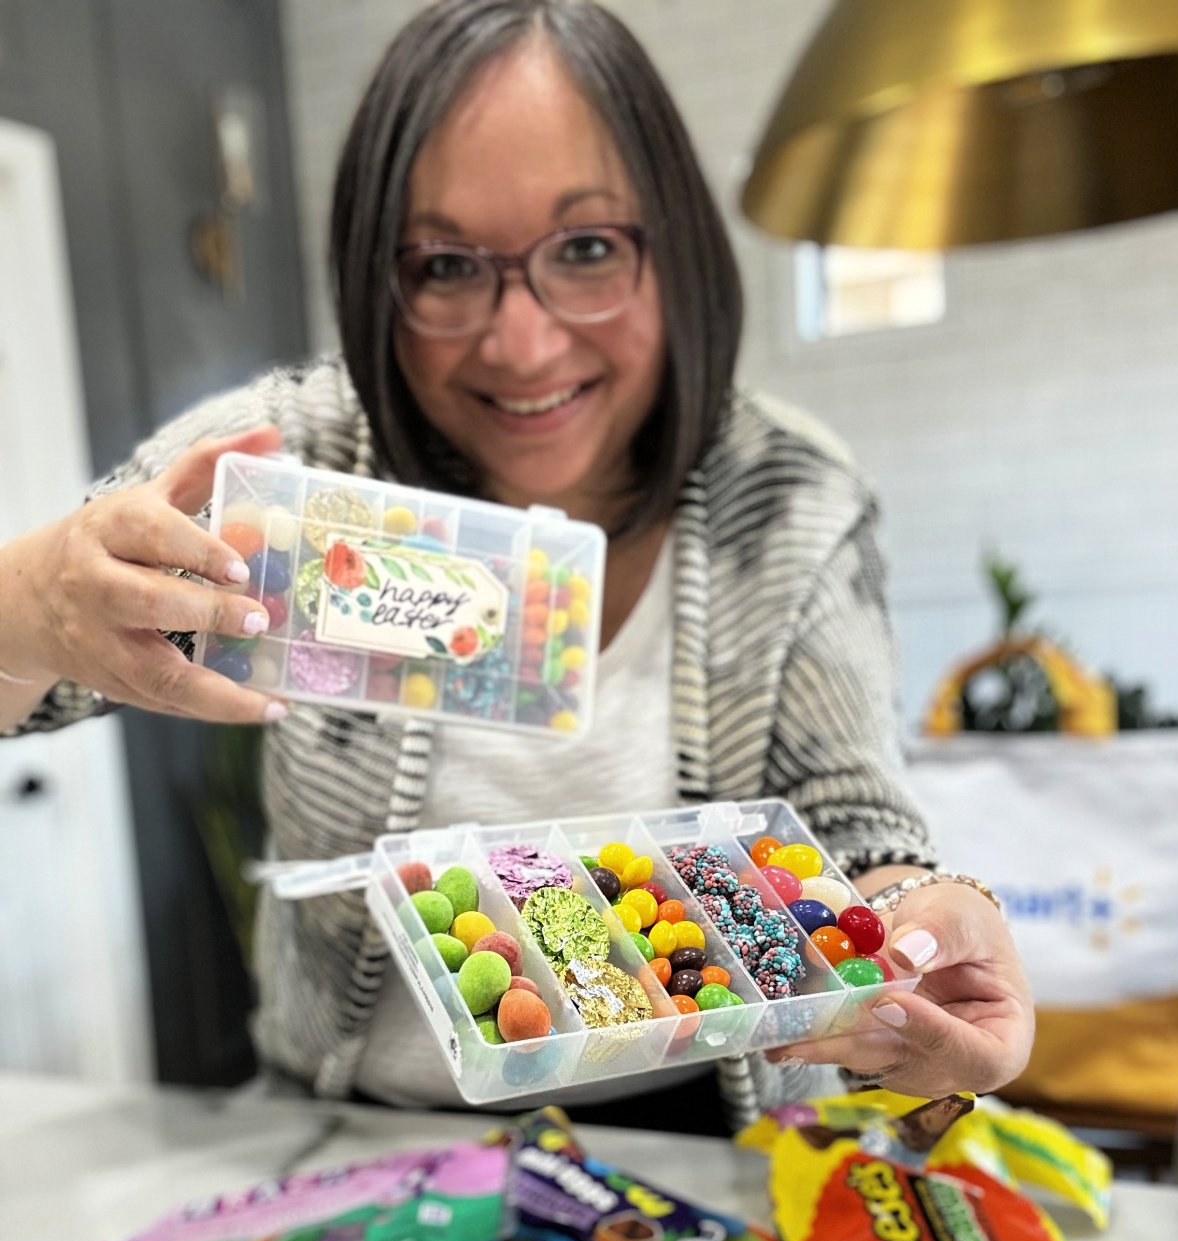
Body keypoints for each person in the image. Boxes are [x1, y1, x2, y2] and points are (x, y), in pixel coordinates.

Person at [0, 0, 1032, 1117]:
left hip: (704, 1130)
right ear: (374, 279)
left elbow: (853, 830)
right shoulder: (285, 468)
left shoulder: (787, 496)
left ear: (674, 246)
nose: (523, 343)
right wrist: (28, 601)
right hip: (354, 1128)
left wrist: (924, 921)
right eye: (444, 266)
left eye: (586, 248)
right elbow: (37, 671)